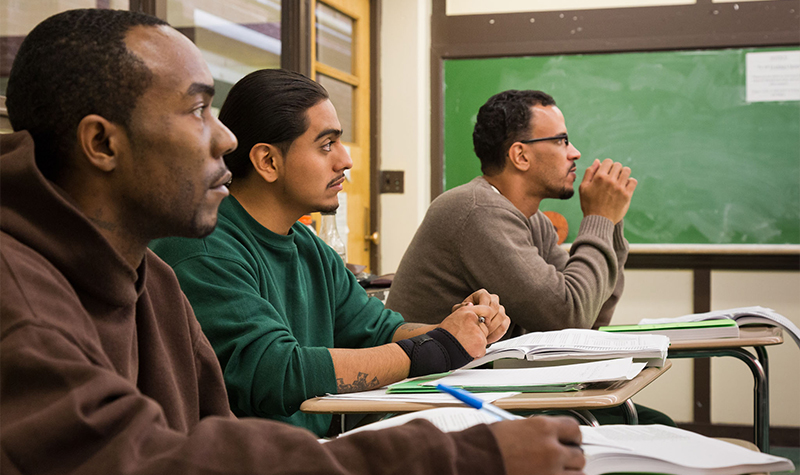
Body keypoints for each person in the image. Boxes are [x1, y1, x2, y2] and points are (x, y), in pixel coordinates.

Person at [1, 9, 586, 474]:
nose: (224, 138)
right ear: (103, 144)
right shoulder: (22, 300)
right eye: (199, 110)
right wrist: (463, 452)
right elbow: (154, 458)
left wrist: (458, 330)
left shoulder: (149, 277)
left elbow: (220, 429)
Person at [150, 69, 510, 437]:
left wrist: (463, 328)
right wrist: (436, 348)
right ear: (268, 162)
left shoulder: (307, 245)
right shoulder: (204, 246)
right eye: (326, 145)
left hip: (315, 450)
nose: (345, 160)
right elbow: (277, 372)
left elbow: (380, 332)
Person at [386, 90, 636, 338]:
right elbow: (568, 317)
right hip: (426, 376)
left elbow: (591, 314)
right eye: (561, 141)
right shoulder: (478, 210)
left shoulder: (533, 220)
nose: (575, 152)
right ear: (520, 155)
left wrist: (610, 223)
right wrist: (599, 218)